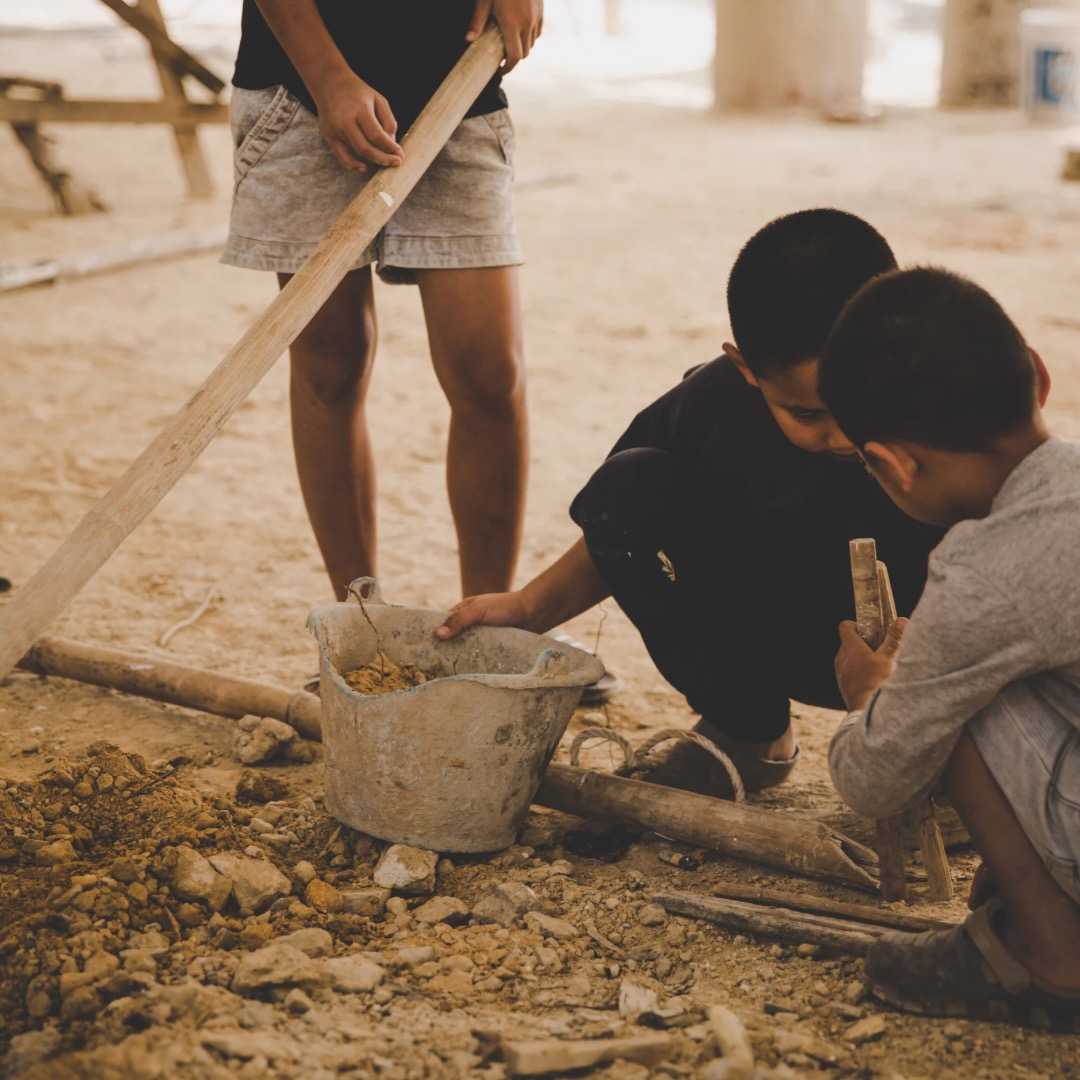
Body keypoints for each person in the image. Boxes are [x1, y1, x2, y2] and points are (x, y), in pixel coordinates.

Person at [438, 208, 943, 794]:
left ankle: (951, 759)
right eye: (807, 414)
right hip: (803, 641)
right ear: (746, 368)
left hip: (930, 659)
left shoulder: (950, 404)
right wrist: (528, 608)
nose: (841, 435)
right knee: (627, 484)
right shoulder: (713, 403)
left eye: (857, 401)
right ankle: (750, 736)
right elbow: (624, 516)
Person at [821, 267, 1080, 1031]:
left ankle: (1053, 957)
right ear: (1037, 372)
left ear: (894, 463)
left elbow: (872, 779)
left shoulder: (984, 576)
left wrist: (873, 693)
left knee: (951, 706)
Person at [223, 0, 542, 601]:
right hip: (300, 83)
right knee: (331, 365)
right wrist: (327, 77)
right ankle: (360, 623)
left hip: (458, 78)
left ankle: (490, 625)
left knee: (490, 373)